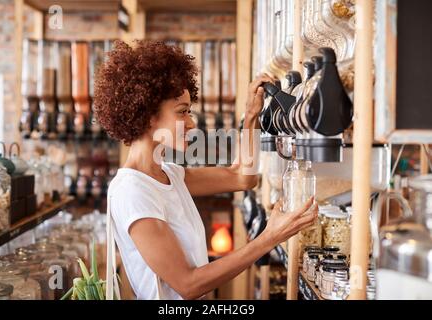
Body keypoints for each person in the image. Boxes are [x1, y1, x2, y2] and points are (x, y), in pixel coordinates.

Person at [94, 40, 318, 300]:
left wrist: (251, 115)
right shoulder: (133, 191)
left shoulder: (169, 174)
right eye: (182, 112)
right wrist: (269, 238)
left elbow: (243, 178)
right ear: (147, 115)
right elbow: (188, 284)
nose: (191, 123)